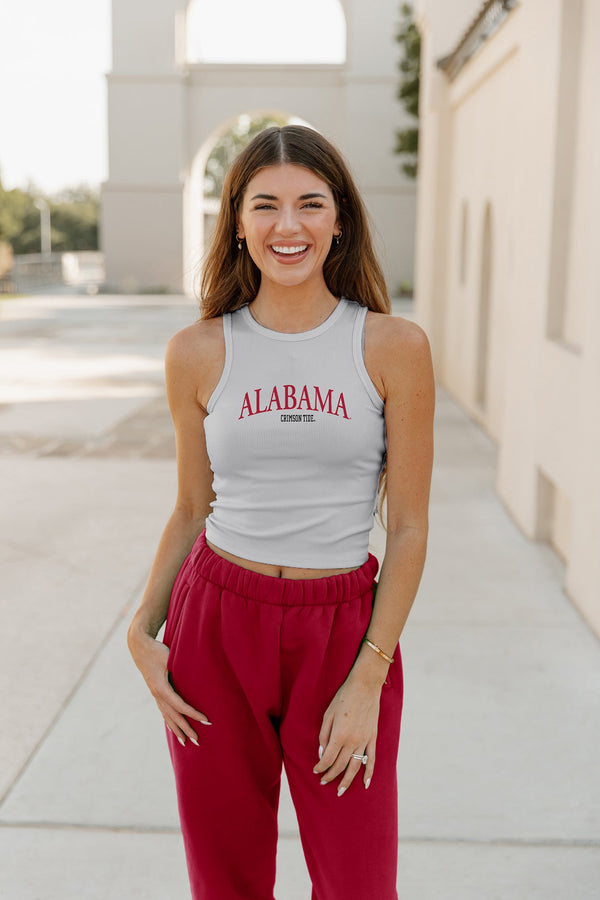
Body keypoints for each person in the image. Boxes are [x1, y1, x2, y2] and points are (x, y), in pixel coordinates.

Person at [127, 124, 435, 900]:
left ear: (341, 220)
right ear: (236, 220)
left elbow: (407, 527)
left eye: (309, 204)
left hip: (341, 634)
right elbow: (193, 506)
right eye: (265, 205)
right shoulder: (197, 350)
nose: (287, 226)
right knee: (224, 878)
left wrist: (369, 675)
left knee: (358, 882)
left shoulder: (393, 346)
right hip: (216, 624)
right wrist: (142, 627)